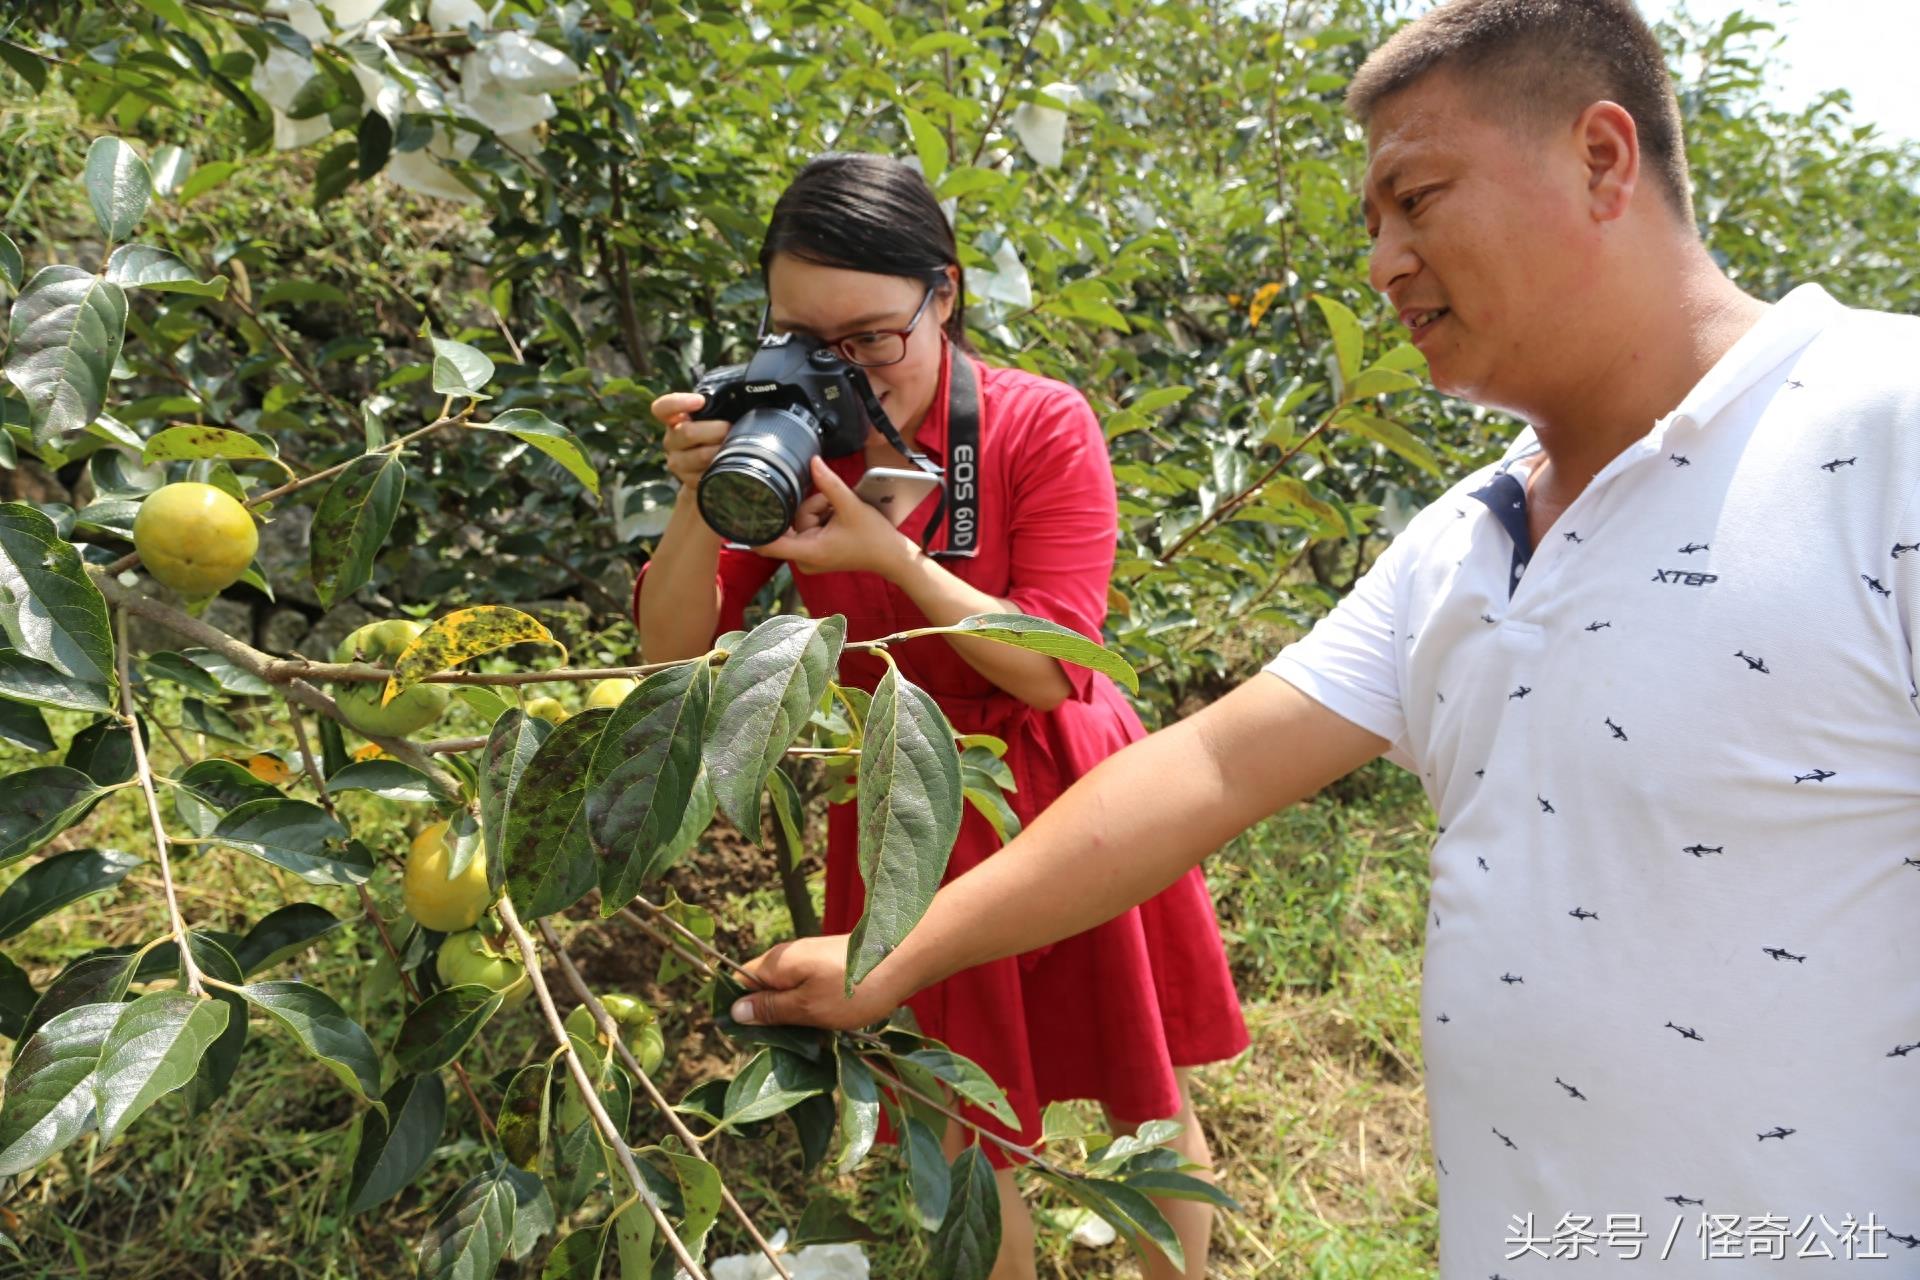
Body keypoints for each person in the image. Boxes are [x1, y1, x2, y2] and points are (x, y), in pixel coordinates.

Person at [731, 1, 1920, 1275]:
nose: (1384, 261)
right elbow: (1211, 770)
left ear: (1601, 158)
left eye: (1418, 198)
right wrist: (893, 955)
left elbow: (1070, 673)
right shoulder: (1468, 537)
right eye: (1371, 224)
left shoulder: (1884, 427)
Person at [635, 153, 1250, 1279]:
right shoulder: (786, 432)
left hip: (1067, 784)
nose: (846, 373)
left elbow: (1052, 672)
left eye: (872, 338)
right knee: (960, 1124)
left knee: (1142, 1095)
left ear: (946, 294)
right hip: (907, 795)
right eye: (804, 341)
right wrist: (698, 500)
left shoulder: (1039, 425)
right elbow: (670, 650)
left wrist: (892, 558)